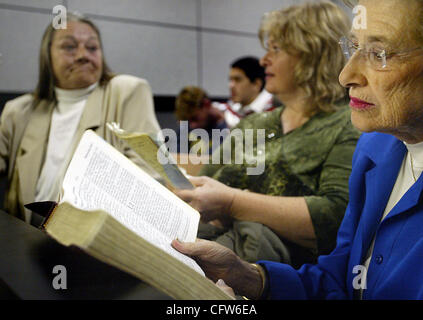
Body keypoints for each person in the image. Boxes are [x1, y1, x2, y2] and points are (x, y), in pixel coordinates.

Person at [173, 0, 423, 300]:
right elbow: (338, 281)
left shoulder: (354, 131)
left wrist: (232, 203)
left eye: (379, 53)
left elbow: (328, 216)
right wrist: (249, 277)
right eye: (354, 48)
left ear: (312, 56)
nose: (346, 75)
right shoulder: (377, 146)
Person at [175, 1, 360, 269]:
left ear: (314, 55)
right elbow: (204, 185)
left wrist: (233, 203)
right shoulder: (253, 124)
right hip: (212, 252)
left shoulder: (348, 123)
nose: (264, 61)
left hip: (289, 278)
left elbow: (334, 216)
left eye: (276, 49)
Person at [0, 12, 161, 226]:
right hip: (24, 238)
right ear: (47, 56)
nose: (83, 55)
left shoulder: (127, 91)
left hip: (92, 241)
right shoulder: (18, 111)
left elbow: (152, 174)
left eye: (92, 47)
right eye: (69, 47)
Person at [216, 56, 274, 128]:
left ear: (257, 84)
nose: (231, 85)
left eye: (238, 80)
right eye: (230, 80)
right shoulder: (230, 110)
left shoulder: (276, 111)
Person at [174, 86, 228, 155]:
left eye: (195, 118)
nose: (192, 126)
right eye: (188, 121)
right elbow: (176, 155)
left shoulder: (229, 125)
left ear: (207, 104)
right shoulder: (187, 125)